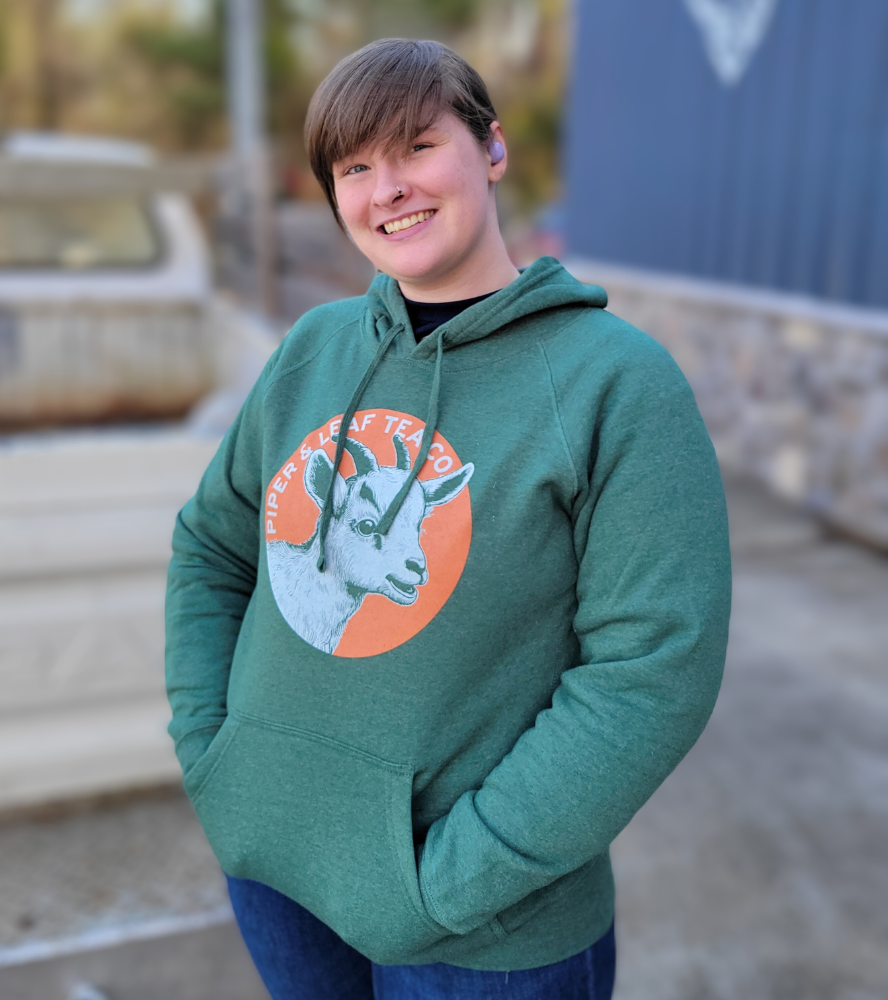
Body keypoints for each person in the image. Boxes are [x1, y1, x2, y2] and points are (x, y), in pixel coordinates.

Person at [165, 38, 731, 1000]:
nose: (387, 189)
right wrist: (214, 755)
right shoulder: (315, 349)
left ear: (492, 150)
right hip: (275, 869)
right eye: (354, 168)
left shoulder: (616, 384)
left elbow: (652, 671)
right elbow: (212, 544)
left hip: (481, 933)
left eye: (416, 148)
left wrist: (454, 879)